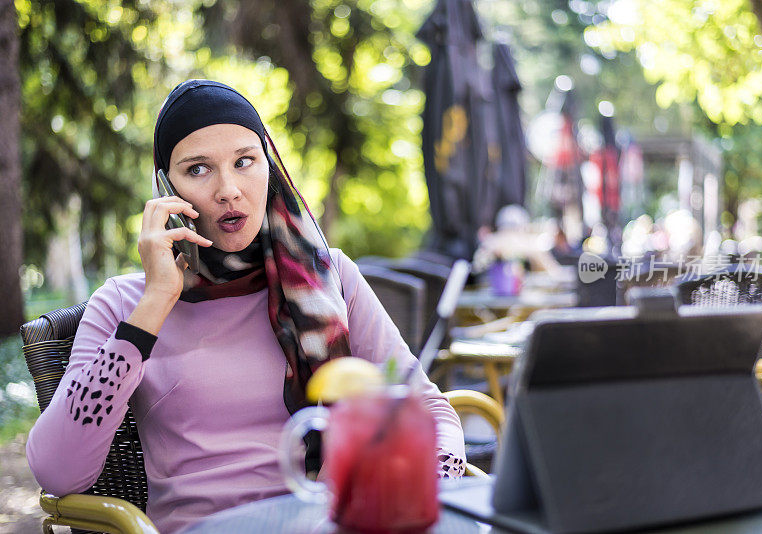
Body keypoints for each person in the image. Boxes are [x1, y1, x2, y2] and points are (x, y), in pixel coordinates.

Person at [26, 80, 466, 533]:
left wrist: (423, 489)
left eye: (244, 161)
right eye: (198, 169)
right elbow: (59, 471)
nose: (229, 189)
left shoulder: (331, 276)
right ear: (164, 187)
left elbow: (429, 412)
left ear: (268, 166)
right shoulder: (125, 303)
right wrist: (155, 302)